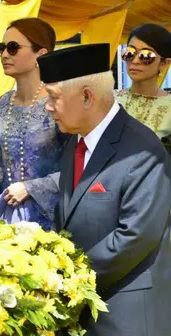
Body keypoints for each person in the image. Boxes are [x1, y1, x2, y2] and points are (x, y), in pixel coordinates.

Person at [40, 43, 171, 336]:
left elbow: (135, 236)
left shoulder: (142, 151)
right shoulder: (76, 140)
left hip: (125, 313)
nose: (47, 107)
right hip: (84, 306)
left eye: (53, 97)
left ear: (87, 97)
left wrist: (68, 276)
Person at [0, 18, 69, 230]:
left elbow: (79, 166)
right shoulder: (3, 103)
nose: (5, 55)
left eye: (13, 48)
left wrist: (32, 188)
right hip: (5, 216)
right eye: (2, 48)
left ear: (41, 55)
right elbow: (0, 166)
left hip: (51, 219)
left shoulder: (60, 102)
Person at [115, 24, 171, 153]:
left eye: (146, 56)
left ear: (164, 63)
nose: (135, 61)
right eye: (130, 53)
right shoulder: (109, 100)